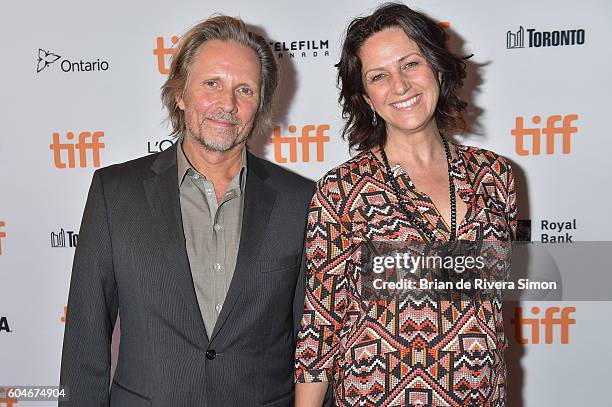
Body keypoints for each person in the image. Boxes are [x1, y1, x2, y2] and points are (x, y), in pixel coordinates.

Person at [59, 16, 314, 406]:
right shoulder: (115, 192)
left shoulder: (301, 200)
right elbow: (85, 342)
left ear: (259, 105)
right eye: (212, 84)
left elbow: (315, 349)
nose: (227, 104)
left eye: (244, 89)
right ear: (180, 94)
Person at [295, 3, 516, 406]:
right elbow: (319, 330)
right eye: (379, 76)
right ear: (366, 96)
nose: (400, 86)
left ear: (437, 67)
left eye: (410, 64)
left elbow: (495, 312)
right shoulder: (343, 189)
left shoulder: (495, 176)